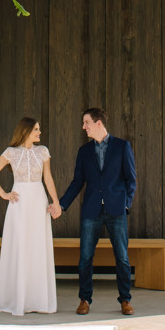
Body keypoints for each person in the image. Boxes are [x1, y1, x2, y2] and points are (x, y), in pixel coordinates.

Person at [57, 107, 136, 316]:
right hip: (91, 210)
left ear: (98, 122)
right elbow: (77, 182)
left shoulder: (122, 146)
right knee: (85, 258)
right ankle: (84, 299)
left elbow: (131, 180)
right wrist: (61, 205)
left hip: (116, 210)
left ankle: (125, 300)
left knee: (122, 258)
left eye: (86, 123)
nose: (84, 127)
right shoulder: (84, 152)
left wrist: (126, 203)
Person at [0, 116, 62, 315]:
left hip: (38, 201)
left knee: (37, 246)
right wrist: (4, 194)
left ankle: (38, 300)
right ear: (26, 131)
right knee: (20, 246)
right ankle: (17, 299)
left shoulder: (43, 151)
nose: (39, 133)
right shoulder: (11, 152)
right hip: (19, 203)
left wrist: (56, 202)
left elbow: (48, 178)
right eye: (36, 129)